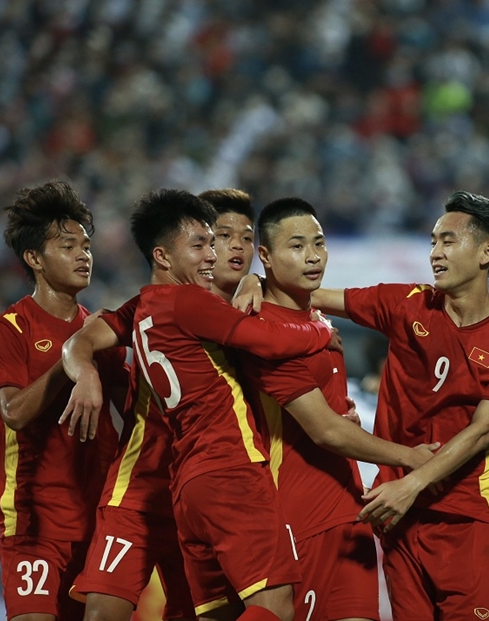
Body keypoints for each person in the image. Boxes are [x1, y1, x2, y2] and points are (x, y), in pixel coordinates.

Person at [238, 191, 489, 619]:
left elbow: (482, 432)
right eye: (433, 242)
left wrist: (410, 482)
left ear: (486, 252)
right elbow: (306, 294)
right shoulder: (408, 304)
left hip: (464, 518)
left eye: (449, 242)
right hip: (398, 518)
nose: (435, 253)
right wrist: (254, 280)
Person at [64, 188, 335, 621]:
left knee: (205, 613)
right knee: (273, 603)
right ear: (165, 255)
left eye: (240, 238)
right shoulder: (188, 303)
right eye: (211, 239)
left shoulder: (175, 306)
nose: (223, 250)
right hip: (184, 475)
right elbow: (82, 341)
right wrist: (86, 373)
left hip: (187, 481)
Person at [238, 197, 439, 621]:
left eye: (319, 243)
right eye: (296, 246)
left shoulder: (317, 320)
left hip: (349, 510)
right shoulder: (262, 331)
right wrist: (409, 458)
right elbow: (325, 431)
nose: (313, 256)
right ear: (266, 257)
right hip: (294, 518)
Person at [0, 181, 126, 621]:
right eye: (68, 246)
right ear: (34, 259)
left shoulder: (101, 332)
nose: (84, 255)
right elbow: (15, 413)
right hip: (33, 522)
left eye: (86, 245)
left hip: (98, 521)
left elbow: (141, 410)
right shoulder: (8, 329)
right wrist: (72, 362)